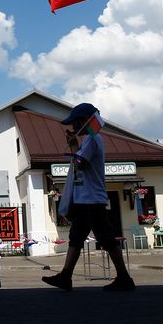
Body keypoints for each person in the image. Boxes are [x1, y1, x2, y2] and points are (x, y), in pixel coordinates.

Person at [42, 103, 135, 292]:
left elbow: (81, 164)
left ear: (84, 121)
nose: (73, 127)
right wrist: (76, 146)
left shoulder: (93, 140)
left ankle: (124, 277)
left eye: (75, 122)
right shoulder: (90, 140)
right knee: (76, 237)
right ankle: (66, 276)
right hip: (85, 199)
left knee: (106, 238)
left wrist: (74, 146)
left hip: (91, 199)